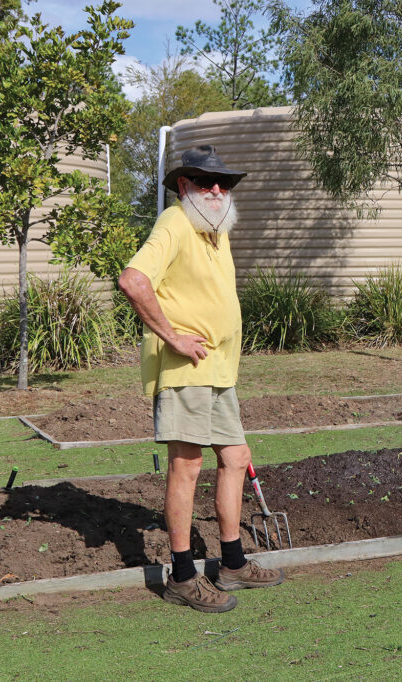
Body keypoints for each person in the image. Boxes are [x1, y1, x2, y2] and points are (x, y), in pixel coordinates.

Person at [118, 145, 285, 612]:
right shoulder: (174, 223)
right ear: (183, 186)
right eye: (205, 181)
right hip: (187, 370)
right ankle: (183, 576)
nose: (217, 189)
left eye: (223, 183)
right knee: (187, 466)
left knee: (235, 457)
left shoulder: (216, 232)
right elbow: (133, 280)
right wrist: (173, 338)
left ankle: (232, 563)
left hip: (218, 371)